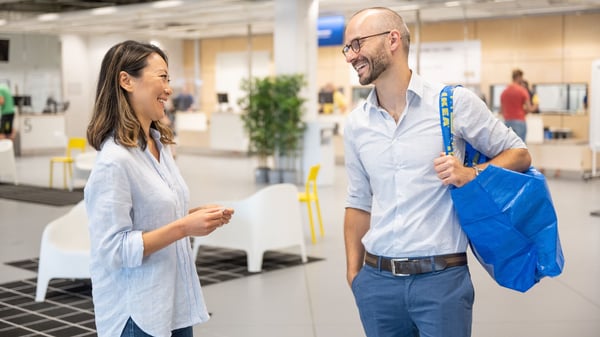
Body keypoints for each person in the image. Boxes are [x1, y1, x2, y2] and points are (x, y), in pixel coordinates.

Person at [341, 7, 531, 337]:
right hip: (377, 284)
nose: (350, 56)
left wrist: (473, 173)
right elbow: (358, 202)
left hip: (441, 282)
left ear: (392, 40)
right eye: (347, 48)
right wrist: (355, 276)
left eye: (356, 44)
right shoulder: (357, 124)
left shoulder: (452, 103)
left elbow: (519, 154)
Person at [84, 40, 234, 337]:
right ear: (126, 80)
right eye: (162, 77)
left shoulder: (158, 145)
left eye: (169, 79)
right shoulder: (114, 161)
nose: (168, 89)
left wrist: (193, 215)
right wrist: (183, 227)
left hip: (174, 304)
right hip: (136, 314)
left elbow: (152, 216)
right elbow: (112, 249)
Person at [500, 69, 537, 141]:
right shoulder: (522, 90)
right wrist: (536, 105)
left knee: (509, 147)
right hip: (519, 122)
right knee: (520, 147)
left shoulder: (504, 92)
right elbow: (529, 109)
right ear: (519, 77)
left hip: (507, 122)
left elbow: (501, 110)